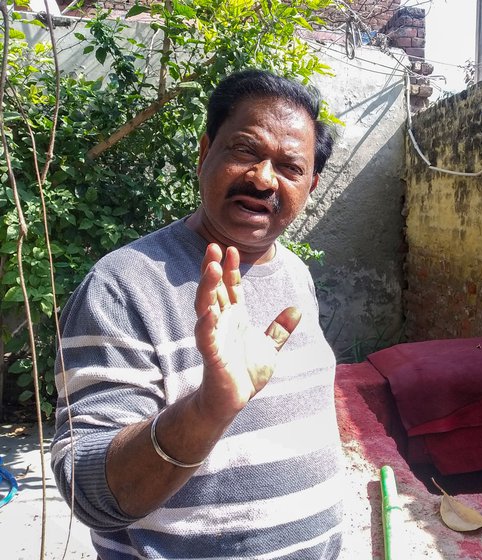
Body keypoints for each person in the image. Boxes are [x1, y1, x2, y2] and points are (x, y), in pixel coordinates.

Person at [51, 69, 344, 559]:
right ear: (206, 152)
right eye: (245, 151)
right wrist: (210, 408)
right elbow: (88, 490)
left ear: (310, 185)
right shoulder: (123, 285)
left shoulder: (296, 276)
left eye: (290, 167)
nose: (263, 178)